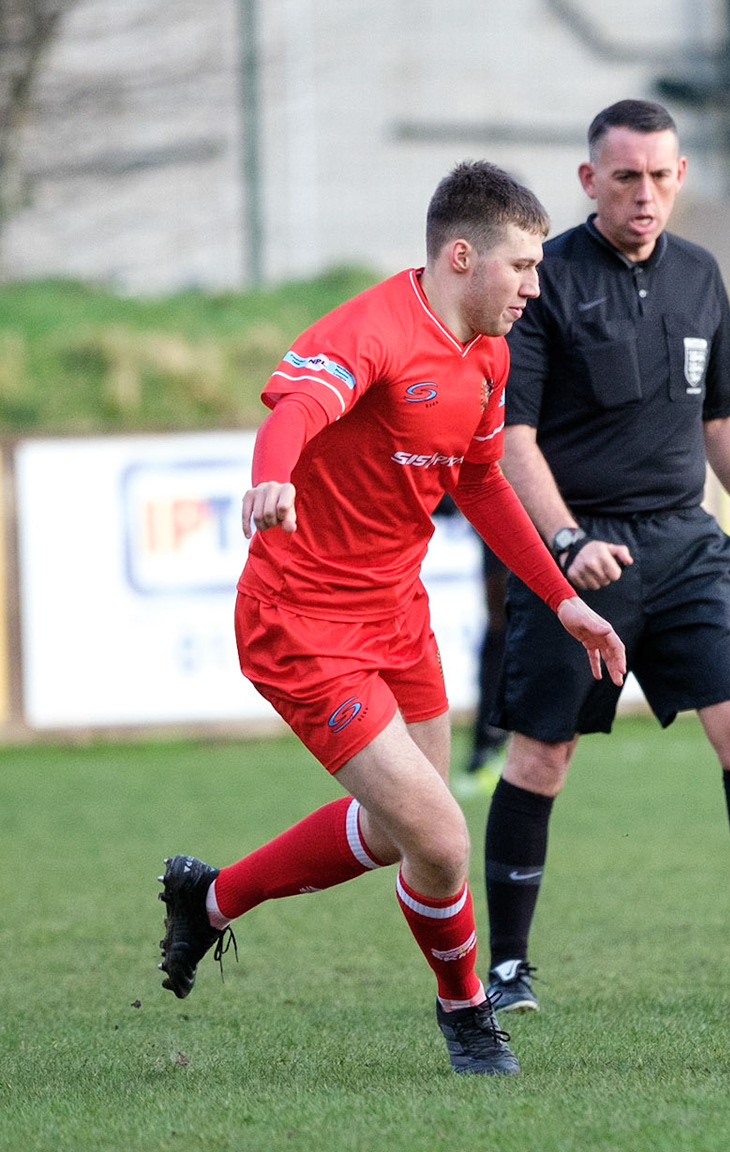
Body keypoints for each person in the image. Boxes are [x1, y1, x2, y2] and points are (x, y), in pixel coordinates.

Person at [155, 162, 627, 1076]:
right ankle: (467, 1012)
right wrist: (271, 479)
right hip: (303, 625)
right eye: (523, 266)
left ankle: (209, 901)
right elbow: (297, 409)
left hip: (397, 614)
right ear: (463, 257)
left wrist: (563, 597)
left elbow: (481, 483)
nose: (536, 287)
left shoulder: (487, 352)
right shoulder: (372, 330)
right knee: (442, 840)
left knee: (400, 831)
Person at [480, 99, 730, 1014]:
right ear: (590, 181)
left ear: (681, 176)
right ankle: (505, 971)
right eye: (625, 178)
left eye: (660, 176)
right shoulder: (544, 281)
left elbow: (722, 418)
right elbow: (511, 437)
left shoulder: (699, 272)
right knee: (541, 757)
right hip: (579, 551)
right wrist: (567, 541)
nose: (644, 194)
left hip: (687, 543)